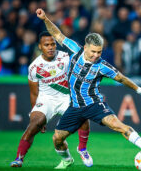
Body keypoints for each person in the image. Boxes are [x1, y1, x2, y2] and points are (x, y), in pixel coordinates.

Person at [36, 8, 141, 169]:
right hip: (74, 106)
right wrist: (45, 18)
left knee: (118, 125)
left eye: (99, 52)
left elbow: (122, 78)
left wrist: (139, 90)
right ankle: (67, 160)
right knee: (57, 139)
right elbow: (57, 34)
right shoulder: (75, 49)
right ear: (86, 47)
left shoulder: (103, 66)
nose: (97, 55)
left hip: (94, 104)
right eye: (93, 51)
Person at [10, 32, 93, 168]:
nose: (50, 47)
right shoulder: (34, 67)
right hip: (46, 99)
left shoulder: (65, 57)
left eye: (53, 44)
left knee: (83, 112)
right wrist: (35, 114)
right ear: (40, 47)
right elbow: (33, 93)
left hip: (66, 98)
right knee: (33, 125)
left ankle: (82, 149)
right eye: (46, 45)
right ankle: (19, 158)